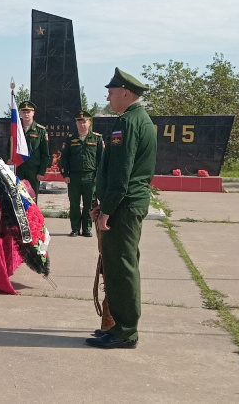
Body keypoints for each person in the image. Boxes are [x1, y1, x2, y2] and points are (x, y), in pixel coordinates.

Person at [87, 67, 156, 349]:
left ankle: (126, 330)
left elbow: (122, 171)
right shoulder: (139, 120)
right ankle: (118, 326)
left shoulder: (129, 122)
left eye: (112, 91)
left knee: (123, 267)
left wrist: (107, 209)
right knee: (116, 267)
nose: (108, 95)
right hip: (124, 204)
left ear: (126, 93)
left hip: (124, 206)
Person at [60, 110, 104, 237]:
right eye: (79, 122)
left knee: (88, 204)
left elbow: (102, 159)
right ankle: (75, 229)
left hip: (90, 177)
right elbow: (64, 158)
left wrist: (98, 175)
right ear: (76, 123)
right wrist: (65, 174)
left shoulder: (97, 138)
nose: (82, 124)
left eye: (84, 121)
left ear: (89, 122)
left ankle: (86, 229)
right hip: (73, 177)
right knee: (74, 204)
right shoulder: (70, 139)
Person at [15, 101, 50, 194]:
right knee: (19, 198)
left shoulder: (40, 131)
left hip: (33, 170)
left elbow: (45, 153)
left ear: (33, 113)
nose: (26, 114)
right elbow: (9, 147)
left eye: (28, 112)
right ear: (21, 113)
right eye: (24, 112)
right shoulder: (16, 129)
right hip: (19, 169)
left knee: (33, 198)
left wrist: (41, 172)